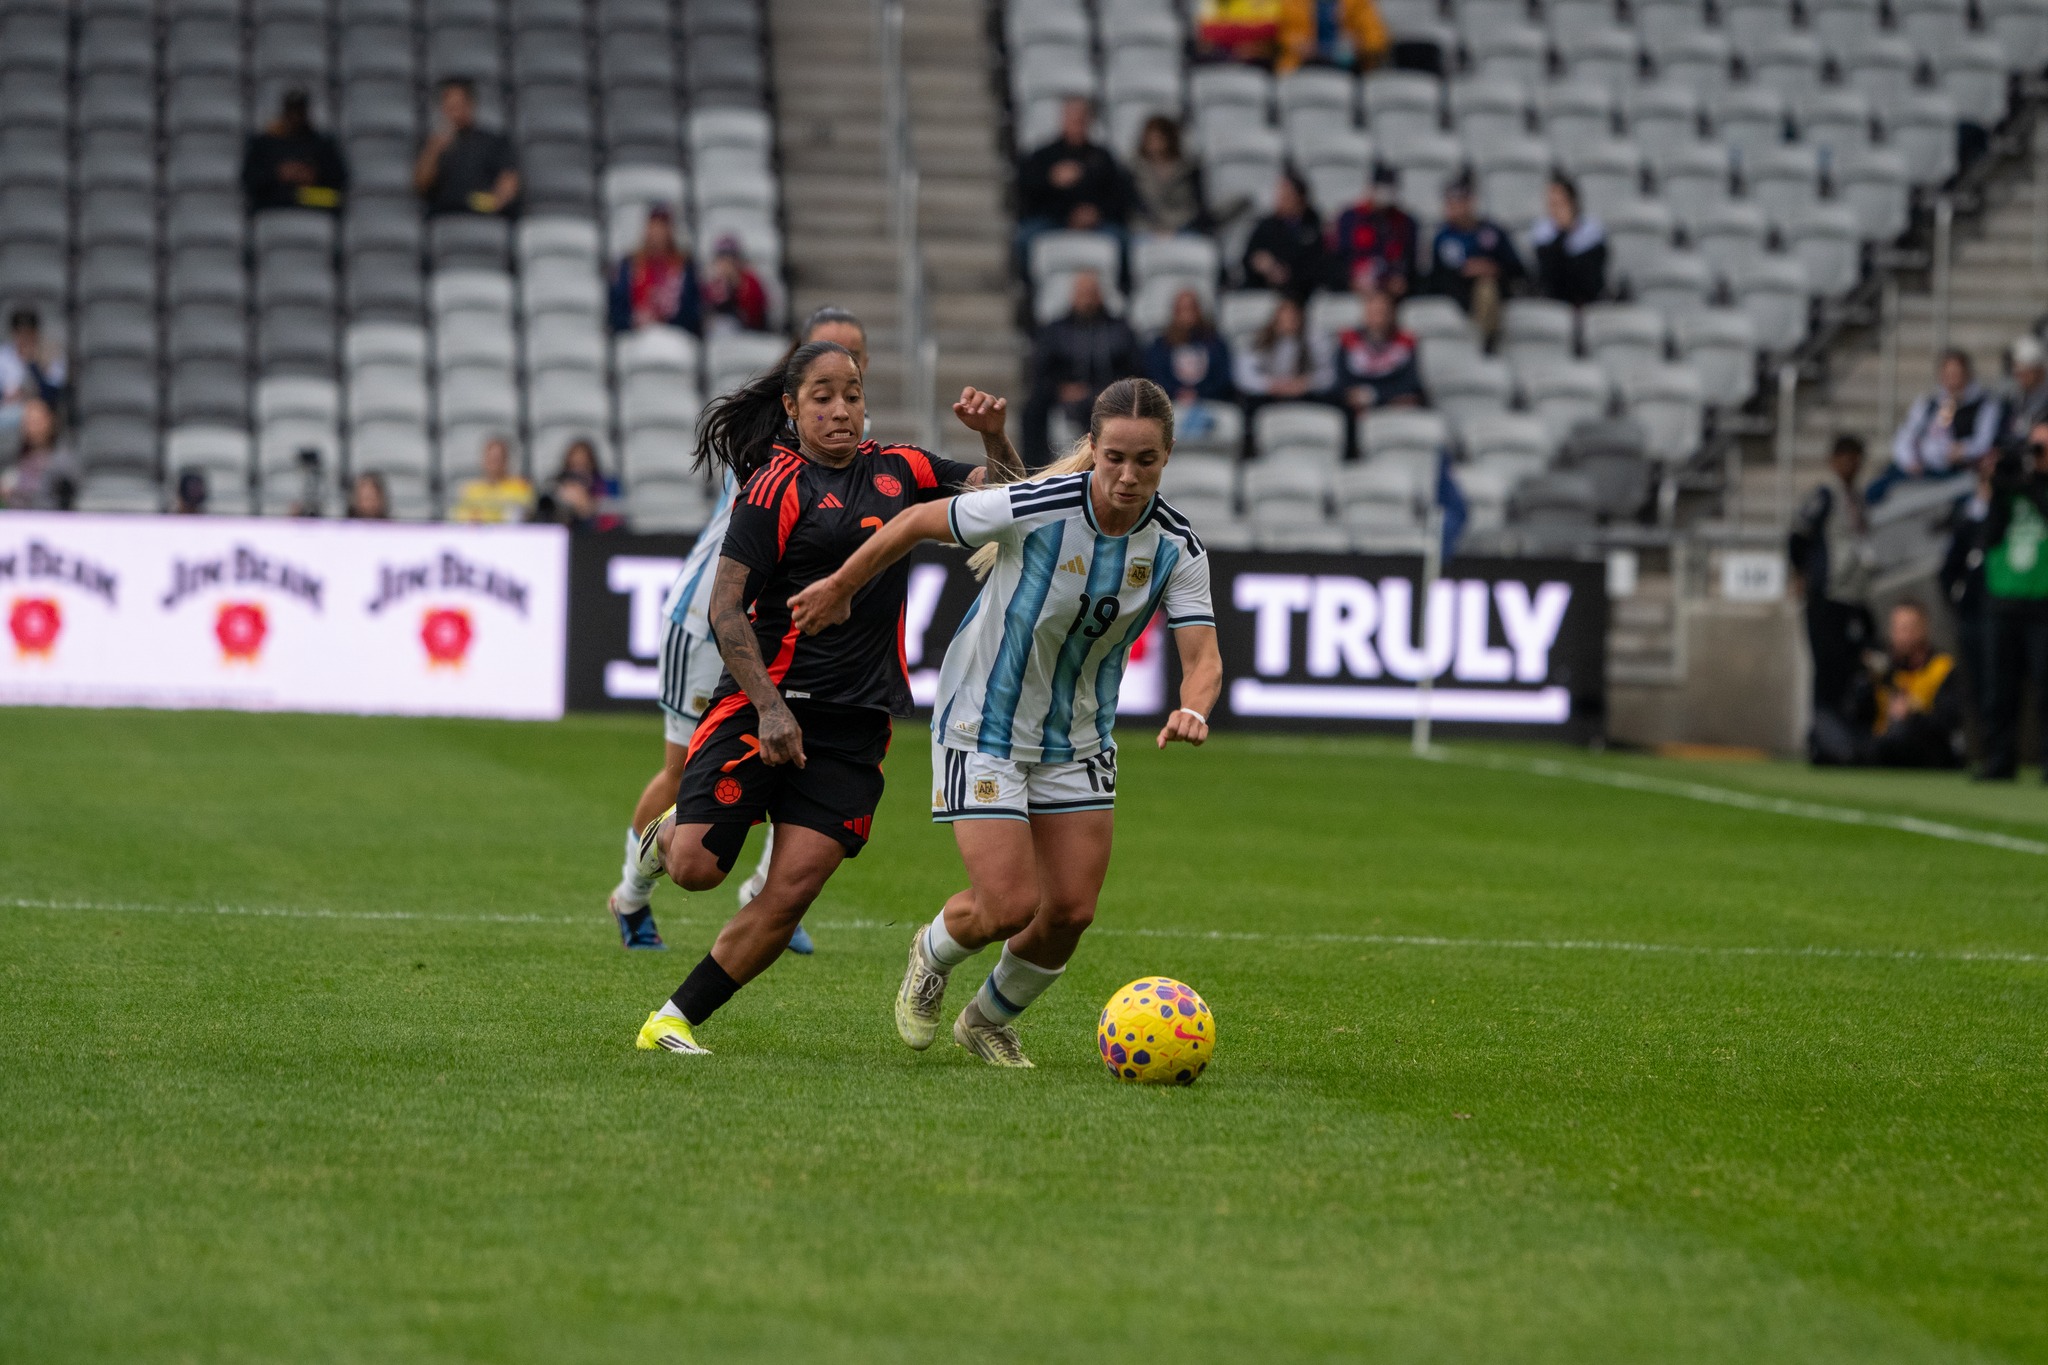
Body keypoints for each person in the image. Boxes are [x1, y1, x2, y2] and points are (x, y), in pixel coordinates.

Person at [785, 377, 1222, 1068]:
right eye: (1114, 457)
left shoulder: (1176, 545)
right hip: (982, 721)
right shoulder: (1039, 505)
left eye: (1146, 460)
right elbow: (915, 521)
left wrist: (1193, 706)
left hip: (1078, 738)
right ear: (1093, 448)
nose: (1127, 475)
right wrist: (840, 587)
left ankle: (986, 1019)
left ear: (1166, 457)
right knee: (1009, 903)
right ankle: (932, 953)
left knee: (1070, 912)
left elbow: (1203, 658)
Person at [628, 340, 1000, 1056]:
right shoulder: (773, 485)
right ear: (792, 408)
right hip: (763, 704)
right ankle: (668, 835)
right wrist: (771, 707)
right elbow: (725, 608)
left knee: (791, 890)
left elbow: (1009, 498)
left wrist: (993, 435)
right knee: (697, 870)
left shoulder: (905, 470)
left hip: (854, 723)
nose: (840, 410)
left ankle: (671, 1019)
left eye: (852, 395)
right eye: (822, 397)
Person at [608, 306, 895, 953]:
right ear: (797, 364)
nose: (839, 375)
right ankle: (631, 893)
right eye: (823, 352)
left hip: (789, 632)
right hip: (709, 619)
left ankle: (767, 892)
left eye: (852, 358)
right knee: (682, 774)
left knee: (802, 755)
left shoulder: (859, 439)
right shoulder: (771, 434)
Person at [1788, 434, 1876, 753]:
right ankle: (1821, 738)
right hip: (1827, 593)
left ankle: (1842, 738)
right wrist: (1801, 572)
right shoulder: (1825, 494)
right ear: (1834, 460)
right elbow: (1798, 534)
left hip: (1852, 595)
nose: (1853, 465)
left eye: (1857, 459)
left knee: (1846, 668)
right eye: (1847, 458)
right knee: (1825, 668)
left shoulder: (1858, 498)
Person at [1974, 422, 2048, 781]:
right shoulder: (2005, 489)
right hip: (2002, 600)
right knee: (1998, 689)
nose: (2035, 456)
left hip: (2043, 603)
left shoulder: (2038, 489)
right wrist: (1998, 485)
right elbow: (1987, 537)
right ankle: (1999, 760)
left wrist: (2034, 483)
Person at [1811, 602, 1966, 768]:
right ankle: (1853, 755)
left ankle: (1854, 757)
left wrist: (1912, 714)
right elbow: (1856, 716)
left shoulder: (1941, 667)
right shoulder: (1882, 665)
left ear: (1923, 629)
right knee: (1824, 722)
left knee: (1900, 733)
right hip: (1878, 740)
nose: (1902, 636)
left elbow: (1948, 722)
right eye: (1897, 629)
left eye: (1908, 628)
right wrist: (1864, 686)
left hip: (1920, 742)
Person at [1022, 270, 1142, 468]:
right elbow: (1041, 370)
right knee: (1032, 409)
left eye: (1091, 293)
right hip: (1063, 395)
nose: (1087, 300)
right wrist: (1060, 389)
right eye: (1082, 293)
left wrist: (1104, 391)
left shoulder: (1120, 329)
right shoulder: (1055, 330)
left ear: (1101, 295)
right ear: (1073, 296)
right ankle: (1033, 468)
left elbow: (1134, 370)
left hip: (1109, 394)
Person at [1015, 97, 1129, 266]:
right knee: (1025, 239)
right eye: (1072, 119)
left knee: (1121, 240)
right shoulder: (1044, 155)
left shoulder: (1102, 156)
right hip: (1053, 218)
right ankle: (1028, 282)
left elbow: (1119, 194)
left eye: (1081, 120)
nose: (1077, 124)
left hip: (1096, 220)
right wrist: (1050, 180)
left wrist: (1096, 213)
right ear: (1063, 120)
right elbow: (1026, 188)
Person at [1879, 350, 2003, 502]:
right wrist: (1911, 460)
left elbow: (1984, 442)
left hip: (1956, 471)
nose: (1952, 380)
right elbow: (1906, 434)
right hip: (1922, 468)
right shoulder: (1929, 403)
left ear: (1967, 374)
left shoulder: (1984, 405)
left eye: (1956, 374)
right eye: (1947, 374)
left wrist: (1964, 450)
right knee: (1878, 489)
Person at [1425, 174, 1524, 339]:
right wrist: (1463, 271)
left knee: (1486, 288)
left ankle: (1487, 339)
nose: (1454, 208)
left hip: (1494, 291)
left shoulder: (1493, 232)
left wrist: (1493, 268)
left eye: (1459, 202)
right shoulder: (1442, 238)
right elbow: (1435, 279)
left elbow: (1518, 269)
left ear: (1470, 202)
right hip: (1458, 293)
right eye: (1450, 203)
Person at [413, 77, 518, 218]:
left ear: (471, 105)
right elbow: (421, 186)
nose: (454, 112)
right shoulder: (431, 144)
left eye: (458, 105)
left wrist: (497, 202)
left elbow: (509, 180)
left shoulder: (494, 141)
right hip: (443, 216)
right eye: (449, 107)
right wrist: (433, 150)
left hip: (484, 215)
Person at [1142, 288, 1235, 438]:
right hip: (1171, 402)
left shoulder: (1215, 343)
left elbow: (1223, 377)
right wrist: (1176, 393)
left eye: (1191, 308)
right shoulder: (1160, 345)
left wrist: (1199, 393)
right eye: (1182, 309)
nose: (1187, 314)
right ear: (1174, 312)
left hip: (1210, 401)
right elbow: (1155, 377)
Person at [241, 89, 348, 214]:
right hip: (273, 203)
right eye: (291, 112)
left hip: (312, 203)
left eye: (299, 112)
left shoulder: (322, 143)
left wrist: (312, 174)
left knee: (333, 199)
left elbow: (339, 182)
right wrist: (279, 173)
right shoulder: (264, 143)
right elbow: (250, 180)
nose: (295, 117)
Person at [607, 205, 701, 336]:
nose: (658, 232)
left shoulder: (684, 265)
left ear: (670, 230)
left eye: (662, 227)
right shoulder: (630, 264)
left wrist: (665, 321)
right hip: (635, 334)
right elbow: (617, 310)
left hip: (675, 334)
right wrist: (633, 321)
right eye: (654, 226)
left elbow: (693, 312)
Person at [1333, 284, 1422, 416]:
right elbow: (1341, 382)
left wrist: (1375, 396)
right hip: (1354, 409)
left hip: (1393, 408)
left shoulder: (1406, 342)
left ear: (1392, 313)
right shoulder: (1348, 340)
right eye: (1372, 312)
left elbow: (1410, 384)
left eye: (1382, 312)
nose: (1377, 318)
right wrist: (1353, 395)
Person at [1328, 165, 1418, 295]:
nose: (1385, 197)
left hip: (1390, 290)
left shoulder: (1405, 222)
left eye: (1390, 191)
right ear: (1371, 189)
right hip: (1356, 286)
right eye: (1382, 190)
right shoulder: (1350, 218)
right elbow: (1340, 258)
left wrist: (1401, 279)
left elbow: (1408, 261)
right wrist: (1351, 280)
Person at [1232, 294, 1335, 404]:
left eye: (1293, 317)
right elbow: (1243, 375)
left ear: (1301, 317)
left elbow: (1329, 374)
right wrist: (1270, 384)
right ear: (1275, 319)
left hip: (1305, 395)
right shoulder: (1261, 340)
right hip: (1269, 395)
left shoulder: (1314, 339)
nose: (1288, 321)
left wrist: (1306, 383)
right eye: (1284, 317)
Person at [1242, 169, 1325, 299]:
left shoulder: (1314, 225)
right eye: (1279, 195)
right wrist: (1262, 264)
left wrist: (1286, 273)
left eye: (1286, 196)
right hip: (1265, 289)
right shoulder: (1266, 225)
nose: (1280, 200)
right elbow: (1249, 257)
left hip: (1303, 293)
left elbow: (1317, 264)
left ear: (1299, 198)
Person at [1531, 175, 1606, 307]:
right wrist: (1562, 233)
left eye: (1561, 204)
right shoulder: (1542, 232)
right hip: (1554, 301)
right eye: (1552, 204)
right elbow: (1548, 276)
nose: (1556, 210)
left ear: (1573, 202)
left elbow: (1591, 277)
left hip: (1588, 299)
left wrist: (1570, 229)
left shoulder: (1592, 230)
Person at [1127, 116, 1206, 238]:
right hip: (1145, 227)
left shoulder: (1187, 169)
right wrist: (1156, 227)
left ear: (1169, 139)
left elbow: (1194, 205)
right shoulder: (1133, 169)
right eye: (1150, 138)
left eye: (1158, 138)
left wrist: (1174, 227)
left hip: (1182, 225)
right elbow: (1135, 204)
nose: (1153, 143)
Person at [0, 398, 77, 510]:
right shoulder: (16, 456)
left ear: (50, 421)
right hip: (15, 517)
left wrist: (16, 493)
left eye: (37, 421)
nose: (32, 427)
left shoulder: (63, 459)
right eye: (28, 421)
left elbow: (63, 500)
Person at [0, 307, 67, 434]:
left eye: (29, 333)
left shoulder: (52, 353)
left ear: (36, 332)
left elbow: (54, 393)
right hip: (8, 411)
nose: (24, 337)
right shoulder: (3, 355)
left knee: (35, 418)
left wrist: (33, 363)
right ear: (13, 333)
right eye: (20, 332)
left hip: (41, 413)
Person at [1276, 0, 1390, 73]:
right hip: (1300, 66)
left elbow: (1378, 38)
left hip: (1346, 66)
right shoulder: (1289, 2)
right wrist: (1295, 43)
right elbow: (1276, 34)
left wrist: (1359, 43)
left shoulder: (1357, 3)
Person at [450, 435, 535, 524]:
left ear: (506, 459)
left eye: (498, 459)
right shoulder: (471, 490)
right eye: (490, 459)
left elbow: (521, 514)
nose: (494, 464)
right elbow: (459, 515)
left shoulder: (520, 487)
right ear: (484, 460)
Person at [544, 438, 621, 531]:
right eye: (573, 465)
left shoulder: (606, 486)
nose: (578, 472)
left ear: (592, 465)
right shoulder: (556, 486)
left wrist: (588, 507)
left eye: (583, 465)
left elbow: (614, 523)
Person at [700, 236, 769, 335]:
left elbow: (756, 315)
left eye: (730, 258)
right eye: (722, 258)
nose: (726, 263)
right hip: (716, 335)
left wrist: (737, 286)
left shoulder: (750, 281)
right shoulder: (712, 283)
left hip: (748, 334)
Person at [1196, 0, 1284, 63]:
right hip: (1221, 51)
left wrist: (1229, 27)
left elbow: (1270, 28)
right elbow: (1208, 30)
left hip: (1258, 52)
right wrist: (1248, 28)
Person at [2003, 335, 2048, 443]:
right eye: (2019, 373)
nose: (2021, 377)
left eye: (2027, 372)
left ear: (2039, 371)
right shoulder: (2013, 399)